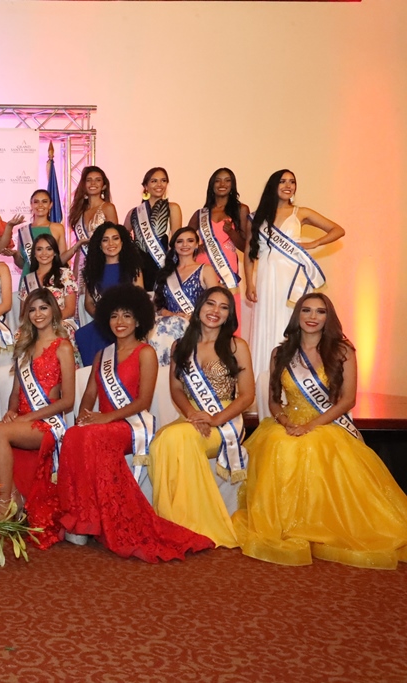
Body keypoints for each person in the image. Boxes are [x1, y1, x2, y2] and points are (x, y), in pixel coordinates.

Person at [29, 284, 213, 561]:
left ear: (139, 319)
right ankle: (81, 519)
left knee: (91, 437)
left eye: (127, 316)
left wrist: (104, 418)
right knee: (74, 435)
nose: (120, 322)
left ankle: (101, 522)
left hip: (133, 425)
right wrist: (83, 417)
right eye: (114, 316)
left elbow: (143, 401)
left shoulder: (146, 353)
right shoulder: (102, 355)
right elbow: (90, 393)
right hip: (102, 424)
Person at [233, 293, 407, 569]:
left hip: (328, 423)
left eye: (320, 312)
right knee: (279, 445)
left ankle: (319, 524)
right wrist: (285, 421)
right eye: (307, 310)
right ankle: (285, 526)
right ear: (297, 316)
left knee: (315, 447)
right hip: (289, 423)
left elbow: (348, 400)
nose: (313, 317)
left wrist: (312, 425)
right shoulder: (281, 352)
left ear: (329, 318)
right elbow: (274, 401)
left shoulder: (342, 351)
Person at [147, 287, 254, 548]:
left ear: (229, 314)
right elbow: (176, 388)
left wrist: (216, 419)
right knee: (163, 440)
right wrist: (192, 413)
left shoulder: (236, 346)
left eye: (223, 307)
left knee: (177, 437)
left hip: (225, 420)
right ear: (199, 308)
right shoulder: (180, 346)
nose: (215, 311)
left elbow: (247, 395)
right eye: (210, 304)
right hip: (192, 417)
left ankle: (192, 524)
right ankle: (174, 521)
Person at [245, 170, 346, 405]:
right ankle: (264, 394)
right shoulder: (257, 216)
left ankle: (295, 389)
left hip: (292, 279)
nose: (288, 185)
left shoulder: (302, 213)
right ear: (273, 185)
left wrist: (314, 243)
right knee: (265, 324)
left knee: (290, 323)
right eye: (283, 181)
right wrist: (250, 281)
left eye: (292, 182)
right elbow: (250, 253)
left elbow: (338, 230)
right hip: (266, 277)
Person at [0, 289, 75, 518]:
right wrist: (12, 411)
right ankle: (14, 496)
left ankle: (5, 504)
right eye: (32, 309)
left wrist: (28, 417)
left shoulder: (63, 346)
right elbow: (15, 392)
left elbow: (68, 400)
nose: (37, 314)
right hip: (23, 419)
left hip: (48, 422)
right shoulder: (24, 348)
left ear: (53, 310)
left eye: (43, 307)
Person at [147, 227, 220, 365]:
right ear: (174, 245)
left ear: (197, 244)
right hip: (167, 323)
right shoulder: (165, 272)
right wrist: (168, 313)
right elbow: (157, 304)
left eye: (190, 241)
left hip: (196, 323)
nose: (185, 245)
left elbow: (214, 301)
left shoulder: (206, 270)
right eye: (180, 241)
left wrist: (194, 316)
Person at [74, 223, 143, 366]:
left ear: (122, 242)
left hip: (126, 321)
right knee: (82, 335)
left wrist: (121, 318)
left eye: (115, 238)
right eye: (105, 240)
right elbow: (89, 303)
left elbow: (140, 300)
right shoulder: (92, 270)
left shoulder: (132, 268)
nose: (111, 243)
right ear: (99, 245)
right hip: (102, 321)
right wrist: (104, 318)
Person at [187, 168, 248, 329]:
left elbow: (246, 246)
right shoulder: (200, 214)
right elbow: (183, 241)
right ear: (212, 185)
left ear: (232, 184)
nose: (222, 184)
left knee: (226, 319)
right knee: (201, 318)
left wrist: (231, 232)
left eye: (227, 180)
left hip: (226, 272)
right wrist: (196, 247)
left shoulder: (241, 210)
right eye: (218, 180)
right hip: (201, 270)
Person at [18, 234, 80, 366]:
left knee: (59, 331)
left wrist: (48, 321)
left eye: (49, 249)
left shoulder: (65, 274)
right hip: (35, 322)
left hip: (60, 321)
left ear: (55, 253)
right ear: (34, 254)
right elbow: (23, 313)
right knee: (20, 334)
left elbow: (70, 309)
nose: (44, 253)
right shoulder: (28, 279)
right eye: (39, 249)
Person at [124, 167, 181, 292]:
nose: (159, 184)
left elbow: (177, 240)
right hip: (139, 267)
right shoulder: (134, 212)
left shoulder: (172, 208)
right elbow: (122, 237)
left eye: (163, 180)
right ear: (146, 185)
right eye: (154, 181)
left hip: (162, 264)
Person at [66, 165, 118, 274]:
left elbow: (113, 239)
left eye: (97, 180)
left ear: (103, 186)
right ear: (84, 185)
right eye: (89, 180)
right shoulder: (78, 211)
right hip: (80, 260)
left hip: (102, 260)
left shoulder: (108, 207)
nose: (93, 183)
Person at [12, 189, 75, 274]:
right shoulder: (23, 231)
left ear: (50, 205)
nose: (40, 205)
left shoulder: (58, 228)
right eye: (36, 202)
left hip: (51, 278)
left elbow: (62, 259)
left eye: (44, 201)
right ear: (31, 205)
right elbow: (22, 264)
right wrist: (14, 255)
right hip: (29, 279)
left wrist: (76, 247)